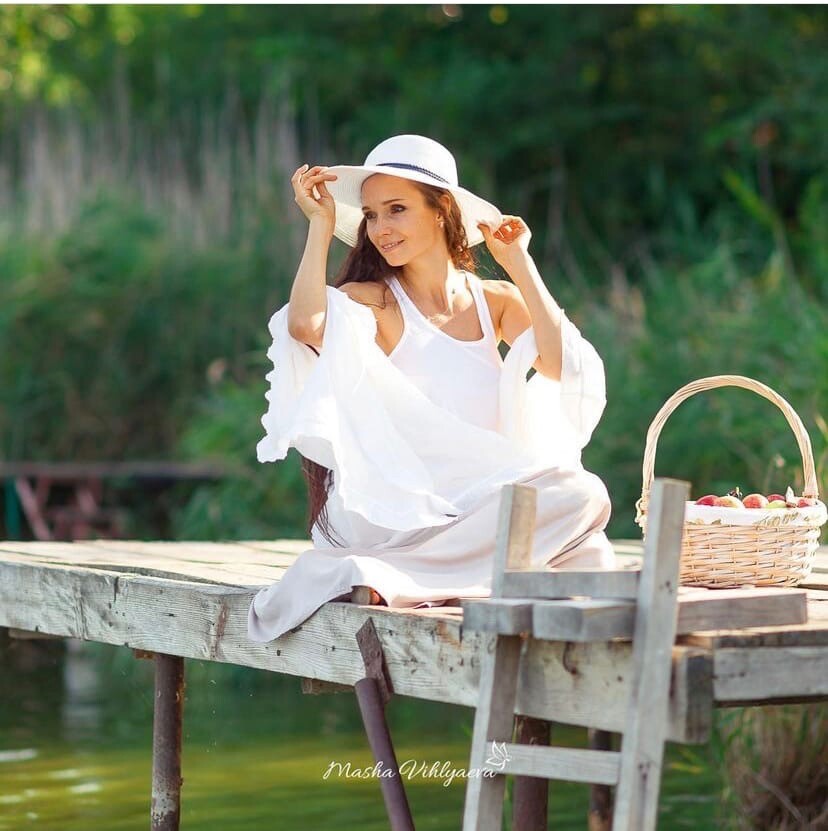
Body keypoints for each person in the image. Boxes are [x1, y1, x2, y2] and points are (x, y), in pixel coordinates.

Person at [248, 134, 614, 642]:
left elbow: (558, 365)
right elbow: (306, 325)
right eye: (371, 215)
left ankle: (400, 577)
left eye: (396, 209)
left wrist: (519, 262)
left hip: (478, 499)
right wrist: (320, 226)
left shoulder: (495, 300)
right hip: (400, 505)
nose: (380, 229)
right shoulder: (376, 300)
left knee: (585, 516)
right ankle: (397, 574)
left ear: (442, 210)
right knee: (579, 511)